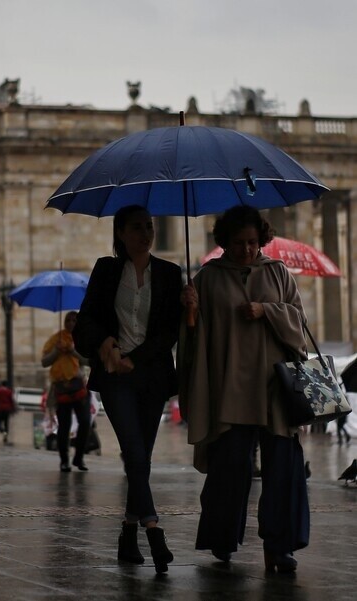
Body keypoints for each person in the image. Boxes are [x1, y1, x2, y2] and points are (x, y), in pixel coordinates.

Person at [179, 206, 309, 572]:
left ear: (262, 239)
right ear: (223, 242)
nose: (247, 250)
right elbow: (194, 339)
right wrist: (189, 313)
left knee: (282, 470)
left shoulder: (278, 272)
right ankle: (222, 538)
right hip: (230, 389)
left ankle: (279, 546)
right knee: (229, 469)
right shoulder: (207, 278)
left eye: (253, 242)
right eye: (239, 243)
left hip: (276, 389)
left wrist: (266, 310)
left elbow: (299, 322)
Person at [74, 204, 181, 574]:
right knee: (133, 450)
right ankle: (152, 527)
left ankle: (127, 533)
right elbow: (86, 318)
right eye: (137, 228)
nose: (146, 234)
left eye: (149, 226)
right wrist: (107, 343)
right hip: (115, 373)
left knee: (142, 458)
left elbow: (170, 330)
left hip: (151, 375)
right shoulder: (106, 269)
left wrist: (140, 356)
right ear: (121, 233)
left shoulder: (170, 273)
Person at [41, 311, 90, 472]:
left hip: (78, 386)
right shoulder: (56, 339)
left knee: (85, 422)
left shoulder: (82, 339)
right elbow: (44, 362)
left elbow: (87, 361)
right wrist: (56, 351)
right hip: (61, 387)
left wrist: (72, 350)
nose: (70, 323)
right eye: (68, 320)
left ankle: (79, 457)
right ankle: (64, 460)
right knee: (64, 425)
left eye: (74, 320)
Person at [0, 379, 16, 444]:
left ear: (1, 384)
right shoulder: (9, 391)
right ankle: (5, 435)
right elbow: (11, 400)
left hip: (1, 408)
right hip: (7, 409)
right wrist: (13, 409)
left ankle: (2, 431)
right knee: (6, 422)